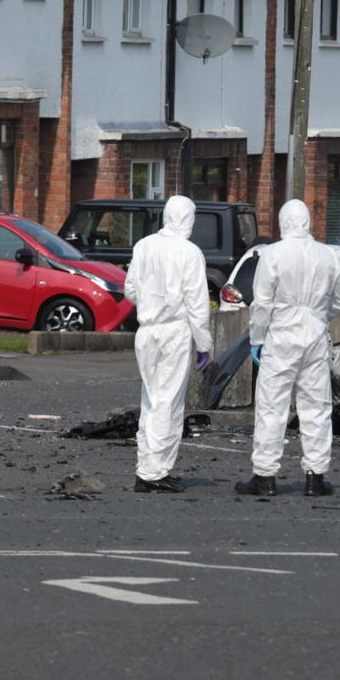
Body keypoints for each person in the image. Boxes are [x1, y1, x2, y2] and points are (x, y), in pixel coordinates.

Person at [237, 199, 340, 498]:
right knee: (316, 407)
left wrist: (257, 339)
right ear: (308, 222)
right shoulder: (328, 255)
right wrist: (318, 314)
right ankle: (315, 477)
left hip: (281, 334)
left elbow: (262, 302)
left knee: (271, 406)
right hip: (314, 334)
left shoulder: (272, 253)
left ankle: (265, 476)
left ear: (282, 223)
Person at [123, 195, 213, 493]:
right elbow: (197, 303)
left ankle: (146, 467)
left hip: (146, 331)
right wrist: (204, 344)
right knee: (168, 401)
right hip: (175, 331)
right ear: (189, 219)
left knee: (150, 399)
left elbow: (130, 290)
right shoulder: (190, 252)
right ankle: (153, 472)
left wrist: (149, 305)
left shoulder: (144, 246)